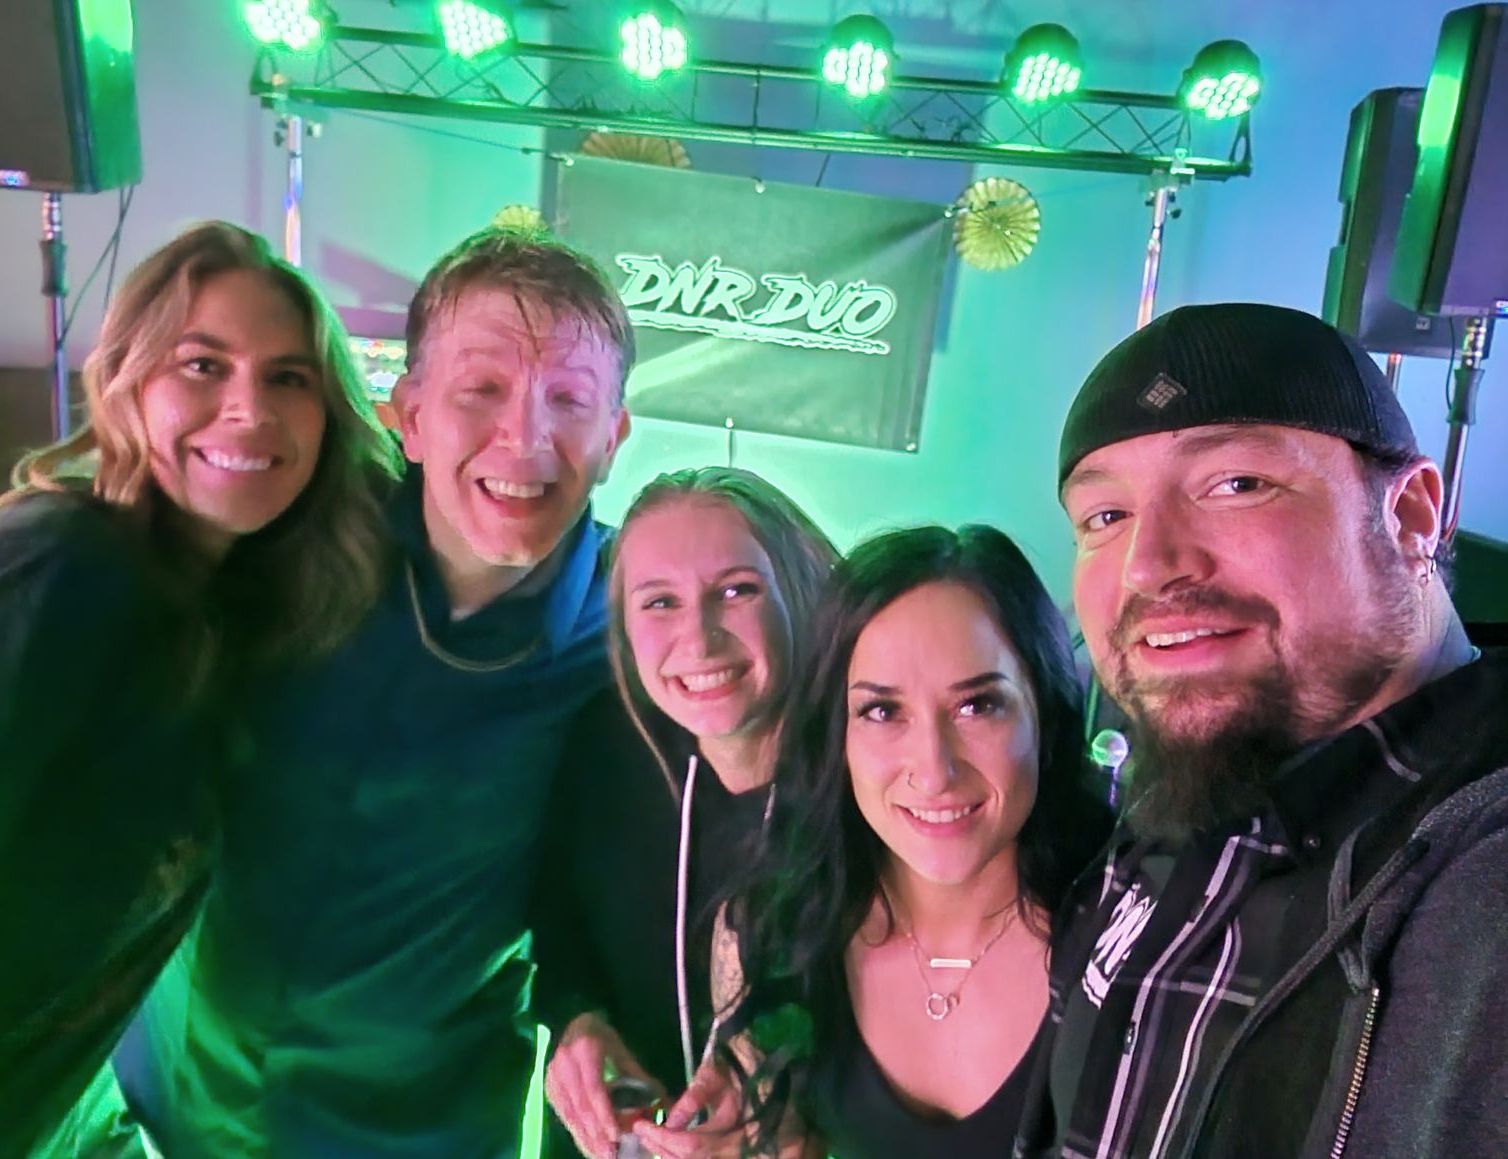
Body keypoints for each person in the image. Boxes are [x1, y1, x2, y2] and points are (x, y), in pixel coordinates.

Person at [118, 227, 635, 1158]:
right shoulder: (289, 531)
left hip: (420, 1129)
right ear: (410, 414)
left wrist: (586, 1008)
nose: (524, 437)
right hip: (167, 1092)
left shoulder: (640, 631)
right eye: (482, 389)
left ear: (613, 439)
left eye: (568, 398)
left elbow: (632, 865)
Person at [0, 220, 398, 1158]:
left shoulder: (207, 622)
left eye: (289, 378)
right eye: (204, 365)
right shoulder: (64, 566)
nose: (250, 408)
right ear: (128, 380)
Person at [1017, 302, 1508, 1157]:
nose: (1148, 566)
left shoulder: (1483, 887)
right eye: (1105, 517)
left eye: (1237, 484)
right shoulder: (1187, 789)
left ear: (1411, 515)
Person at [639, 525, 1112, 1159]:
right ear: (837, 734)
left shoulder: (1139, 938)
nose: (934, 770)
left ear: (1044, 713)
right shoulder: (769, 935)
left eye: (978, 705)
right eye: (883, 712)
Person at [534, 467, 838, 1159]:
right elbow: (556, 921)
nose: (699, 640)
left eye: (736, 590)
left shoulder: (874, 791)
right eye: (659, 602)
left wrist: (809, 1107)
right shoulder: (604, 747)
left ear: (799, 591)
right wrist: (578, 1022)